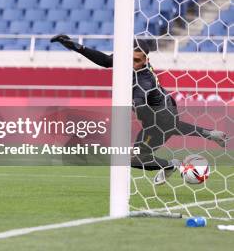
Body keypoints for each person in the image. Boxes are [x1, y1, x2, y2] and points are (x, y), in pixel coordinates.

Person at [50, 34, 228, 185]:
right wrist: (76, 47)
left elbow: (142, 101)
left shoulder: (143, 80)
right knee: (157, 138)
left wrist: (134, 105)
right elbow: (105, 60)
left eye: (138, 61)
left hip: (159, 118)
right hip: (165, 110)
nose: (133, 64)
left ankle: (174, 165)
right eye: (130, 59)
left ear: (146, 60)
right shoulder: (127, 62)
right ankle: (207, 137)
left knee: (136, 158)